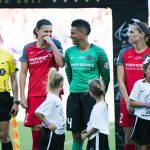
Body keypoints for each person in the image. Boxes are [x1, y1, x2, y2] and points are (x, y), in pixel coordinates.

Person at [65, 19, 110, 150]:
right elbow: (69, 75)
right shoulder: (69, 52)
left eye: (73, 33)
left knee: (92, 133)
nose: (70, 35)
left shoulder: (99, 52)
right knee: (76, 135)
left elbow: (105, 77)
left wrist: (99, 97)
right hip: (74, 97)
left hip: (91, 98)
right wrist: (75, 87)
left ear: (82, 32)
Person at [19, 19, 64, 150]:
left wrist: (52, 45)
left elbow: (61, 63)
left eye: (50, 31)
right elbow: (23, 73)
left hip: (52, 95)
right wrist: (22, 96)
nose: (48, 34)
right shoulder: (28, 48)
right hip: (34, 95)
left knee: (53, 130)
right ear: (37, 31)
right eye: (45, 31)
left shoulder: (55, 44)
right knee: (37, 131)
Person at [117, 21, 150, 150]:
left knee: (146, 139)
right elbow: (120, 79)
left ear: (142, 34)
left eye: (132, 32)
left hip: (146, 103)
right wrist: (128, 101)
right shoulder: (124, 53)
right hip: (128, 101)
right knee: (129, 137)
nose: (128, 35)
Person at [35, 67, 65, 150]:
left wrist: (45, 121)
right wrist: (48, 123)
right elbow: (38, 112)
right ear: (61, 84)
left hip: (59, 134)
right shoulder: (52, 99)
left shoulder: (56, 98)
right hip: (52, 134)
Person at [0, 37, 19, 150]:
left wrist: (16, 101)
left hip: (3, 98)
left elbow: (13, 80)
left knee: (4, 136)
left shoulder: (8, 56)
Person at [81, 78, 109, 150]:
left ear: (91, 93)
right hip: (100, 137)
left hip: (96, 138)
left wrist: (85, 135)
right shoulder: (103, 104)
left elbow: (96, 127)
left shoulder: (98, 107)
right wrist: (88, 129)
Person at [129, 56, 150, 150]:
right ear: (145, 70)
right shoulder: (139, 84)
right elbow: (131, 103)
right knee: (142, 147)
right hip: (142, 119)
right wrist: (147, 104)